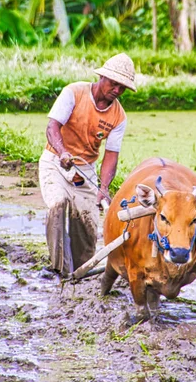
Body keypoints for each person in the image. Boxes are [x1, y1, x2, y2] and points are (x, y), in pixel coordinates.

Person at [38, 53, 137, 277]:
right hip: (56, 161)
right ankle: (58, 269)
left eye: (122, 88)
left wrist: (103, 188)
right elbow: (52, 127)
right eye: (114, 84)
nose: (117, 91)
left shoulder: (118, 116)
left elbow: (111, 155)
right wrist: (63, 152)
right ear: (102, 77)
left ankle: (81, 271)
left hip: (85, 170)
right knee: (57, 204)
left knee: (87, 223)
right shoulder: (74, 92)